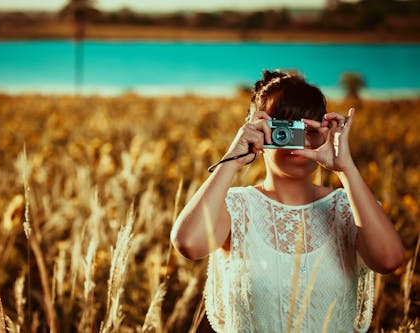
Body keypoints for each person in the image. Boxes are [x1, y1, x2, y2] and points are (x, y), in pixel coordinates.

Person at [170, 70, 404, 332]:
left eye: (310, 128)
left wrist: (345, 169)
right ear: (259, 129)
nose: (301, 140)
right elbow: (188, 243)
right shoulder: (236, 206)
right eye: (287, 128)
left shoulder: (349, 207)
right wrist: (232, 160)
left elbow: (389, 260)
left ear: (324, 132)